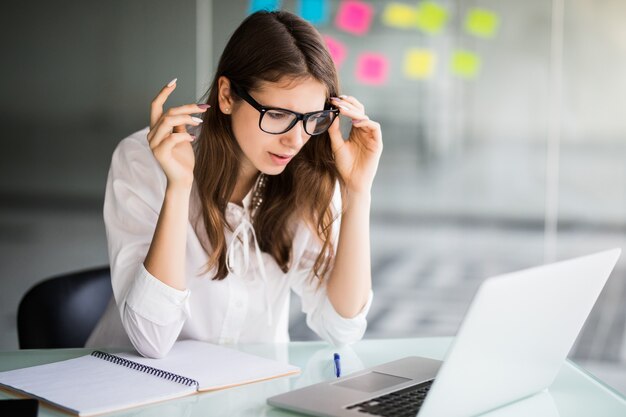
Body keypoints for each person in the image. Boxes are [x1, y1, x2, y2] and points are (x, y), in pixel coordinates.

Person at [86, 10, 383, 358]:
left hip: (250, 392)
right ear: (227, 96)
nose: (295, 140)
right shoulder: (143, 160)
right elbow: (151, 340)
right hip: (138, 391)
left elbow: (342, 327)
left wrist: (358, 193)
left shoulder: (307, 175)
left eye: (311, 119)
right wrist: (179, 187)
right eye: (277, 115)